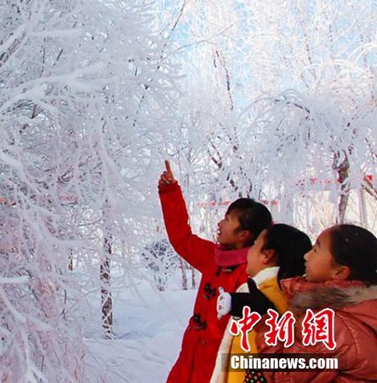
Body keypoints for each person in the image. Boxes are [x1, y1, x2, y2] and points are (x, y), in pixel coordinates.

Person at [159, 160, 273, 383]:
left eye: (228, 219)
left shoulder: (254, 276)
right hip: (189, 362)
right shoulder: (214, 258)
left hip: (219, 370)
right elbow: (181, 237)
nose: (220, 223)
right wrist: (170, 191)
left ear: (244, 235)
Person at [257, 224, 377, 383]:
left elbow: (283, 377)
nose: (306, 256)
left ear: (340, 272)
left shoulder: (330, 325)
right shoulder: (360, 308)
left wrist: (267, 325)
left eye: (316, 249)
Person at [211, 224, 312, 383]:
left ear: (267, 255)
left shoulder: (261, 296)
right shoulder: (292, 295)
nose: (249, 251)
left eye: (255, 244)